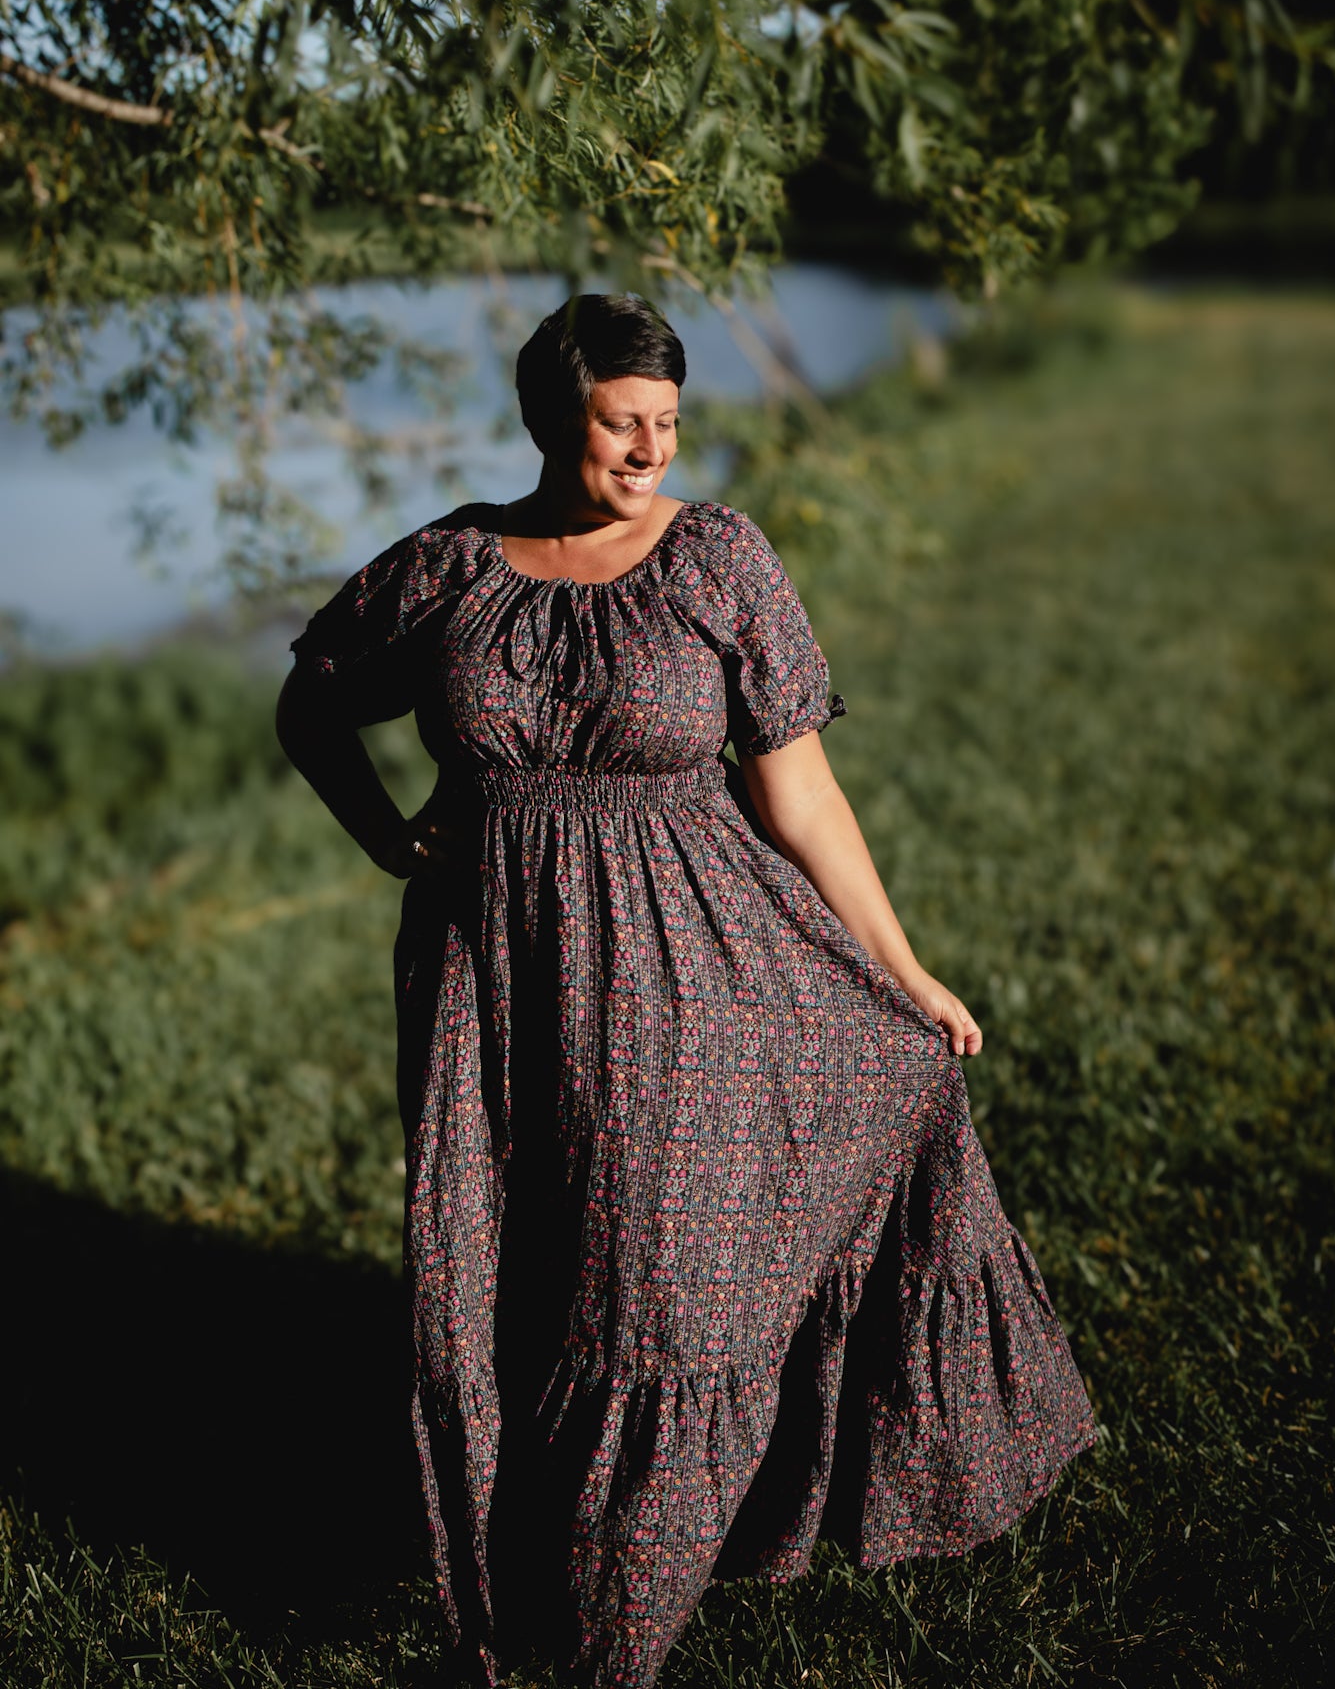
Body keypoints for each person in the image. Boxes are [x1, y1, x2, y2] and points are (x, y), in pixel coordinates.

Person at [277, 292, 1094, 1689]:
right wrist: (383, 833)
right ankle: (504, 1594)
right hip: (491, 980)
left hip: (693, 969)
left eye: (668, 419)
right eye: (620, 420)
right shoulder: (453, 567)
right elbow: (311, 697)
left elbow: (802, 794)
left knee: (652, 1290)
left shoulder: (717, 558)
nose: (650, 446)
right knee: (504, 1279)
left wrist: (900, 970)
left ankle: (615, 1633)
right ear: (552, 414)